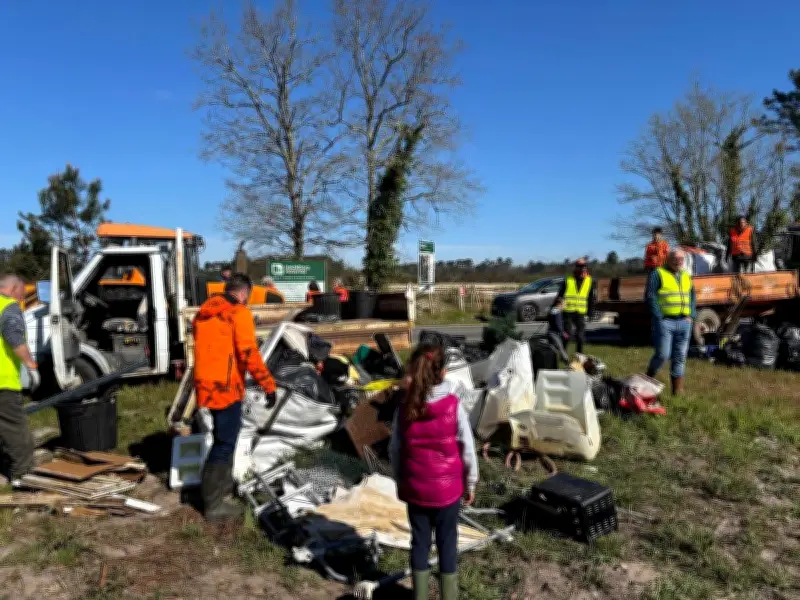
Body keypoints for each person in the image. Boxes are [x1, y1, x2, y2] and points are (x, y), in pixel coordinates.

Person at [389, 344, 478, 600]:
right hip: (448, 492)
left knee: (419, 543)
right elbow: (467, 448)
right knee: (447, 543)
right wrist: (470, 483)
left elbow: (395, 449)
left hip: (415, 489)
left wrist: (400, 481)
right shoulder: (453, 405)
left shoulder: (404, 407)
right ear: (444, 372)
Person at [193, 273, 277, 522]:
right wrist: (268, 385)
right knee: (224, 443)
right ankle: (213, 504)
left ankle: (221, 490)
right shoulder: (238, 313)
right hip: (226, 388)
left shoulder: (204, 312)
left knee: (223, 438)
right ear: (244, 293)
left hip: (207, 385)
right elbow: (248, 352)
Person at [0, 274, 36, 481]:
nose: (24, 296)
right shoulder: (9, 307)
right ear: (14, 289)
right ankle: (24, 474)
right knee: (15, 429)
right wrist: (30, 364)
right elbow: (14, 337)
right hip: (3, 381)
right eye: (23, 291)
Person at [645, 249, 696, 395]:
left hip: (684, 322)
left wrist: (691, 314)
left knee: (680, 356)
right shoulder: (658, 273)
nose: (679, 261)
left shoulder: (686, 275)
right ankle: (647, 380)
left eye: (681, 259)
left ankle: (678, 391)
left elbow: (692, 295)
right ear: (668, 259)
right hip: (665, 322)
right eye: (675, 258)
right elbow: (650, 295)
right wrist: (658, 316)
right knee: (663, 355)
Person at [554, 259, 596, 355]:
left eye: (584, 266)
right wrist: (556, 309)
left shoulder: (589, 280)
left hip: (581, 312)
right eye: (580, 266)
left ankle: (579, 356)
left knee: (580, 336)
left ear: (586, 267)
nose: (582, 268)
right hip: (568, 311)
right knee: (567, 335)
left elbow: (591, 298)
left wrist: (591, 312)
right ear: (575, 267)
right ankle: (563, 353)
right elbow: (560, 296)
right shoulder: (568, 279)